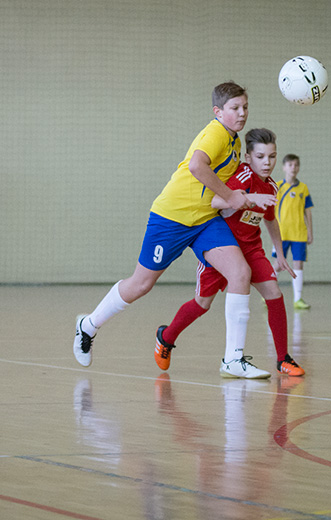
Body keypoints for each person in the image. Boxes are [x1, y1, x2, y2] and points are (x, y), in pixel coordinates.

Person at [73, 81, 268, 378]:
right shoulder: (216, 133)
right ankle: (88, 325)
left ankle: (233, 359)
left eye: (245, 107)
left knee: (240, 273)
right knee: (141, 285)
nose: (242, 113)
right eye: (235, 108)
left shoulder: (235, 140)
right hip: (172, 218)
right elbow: (196, 166)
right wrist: (231, 197)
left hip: (205, 219)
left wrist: (241, 197)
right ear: (218, 111)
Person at [155, 128, 305, 377]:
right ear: (248, 157)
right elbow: (215, 202)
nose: (267, 162)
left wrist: (279, 253)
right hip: (223, 249)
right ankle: (166, 337)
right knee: (202, 303)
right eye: (260, 157)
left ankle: (283, 359)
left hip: (252, 249)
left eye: (272, 157)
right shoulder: (242, 176)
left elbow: (270, 219)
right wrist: (248, 197)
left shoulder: (272, 186)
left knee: (274, 293)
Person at [273, 154, 313, 310]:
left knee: (298, 264)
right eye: (290, 165)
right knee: (277, 264)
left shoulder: (303, 188)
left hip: (299, 233)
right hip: (281, 234)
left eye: (296, 165)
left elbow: (307, 211)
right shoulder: (277, 187)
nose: (293, 168)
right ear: (284, 167)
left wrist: (310, 231)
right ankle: (268, 293)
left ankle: (298, 299)